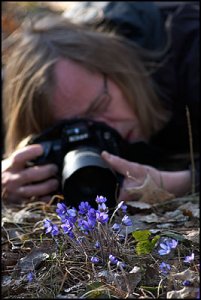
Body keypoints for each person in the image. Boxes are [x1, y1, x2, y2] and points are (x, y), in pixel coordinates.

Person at [2, 2, 199, 206]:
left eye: (100, 106)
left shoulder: (188, 50)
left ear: (118, 69)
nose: (109, 129)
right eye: (80, 128)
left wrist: (182, 181)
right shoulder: (18, 85)